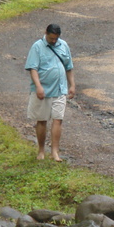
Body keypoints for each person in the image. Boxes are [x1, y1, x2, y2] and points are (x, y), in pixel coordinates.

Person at [24, 23, 76, 161]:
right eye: (51, 38)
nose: (54, 41)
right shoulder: (37, 47)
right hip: (44, 91)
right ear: (45, 33)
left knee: (58, 120)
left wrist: (72, 85)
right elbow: (33, 68)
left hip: (60, 89)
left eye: (56, 39)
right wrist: (38, 86)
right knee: (41, 120)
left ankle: (55, 152)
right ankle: (41, 151)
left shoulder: (63, 45)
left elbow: (69, 67)